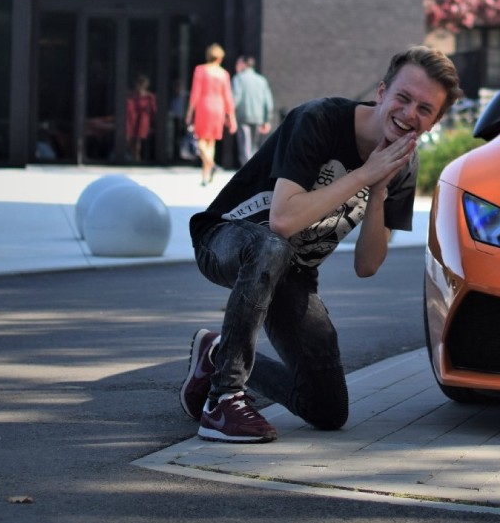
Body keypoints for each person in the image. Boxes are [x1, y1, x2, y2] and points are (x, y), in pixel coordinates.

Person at [179, 46, 463, 443]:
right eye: (403, 97)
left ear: (434, 122)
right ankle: (223, 399)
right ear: (382, 92)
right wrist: (365, 174)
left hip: (290, 271)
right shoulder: (319, 120)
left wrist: (378, 190)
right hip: (225, 238)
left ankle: (216, 354)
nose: (409, 113)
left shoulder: (402, 165)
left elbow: (367, 265)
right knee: (270, 247)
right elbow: (282, 220)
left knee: (327, 408)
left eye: (424, 109)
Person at [185, 44, 238, 185]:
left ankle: (210, 164)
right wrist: (231, 117)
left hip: (204, 106)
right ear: (220, 58)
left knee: (201, 139)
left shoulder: (200, 70)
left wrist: (189, 112)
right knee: (211, 141)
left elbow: (195, 93)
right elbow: (228, 97)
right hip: (218, 108)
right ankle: (205, 176)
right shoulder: (223, 74)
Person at [231, 55, 275, 166]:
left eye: (238, 63)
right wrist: (267, 120)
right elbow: (268, 102)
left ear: (244, 65)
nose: (236, 66)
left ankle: (247, 173)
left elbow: (236, 98)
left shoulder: (238, 78)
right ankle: (254, 171)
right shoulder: (261, 80)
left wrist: (229, 115)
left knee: (245, 146)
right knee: (255, 146)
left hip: (243, 116)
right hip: (259, 118)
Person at [125, 74, 157, 163]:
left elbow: (153, 110)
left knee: (138, 140)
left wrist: (154, 123)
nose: (141, 85)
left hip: (142, 120)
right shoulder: (131, 95)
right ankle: (129, 155)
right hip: (131, 120)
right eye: (139, 83)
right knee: (129, 138)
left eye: (143, 83)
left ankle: (136, 158)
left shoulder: (149, 96)